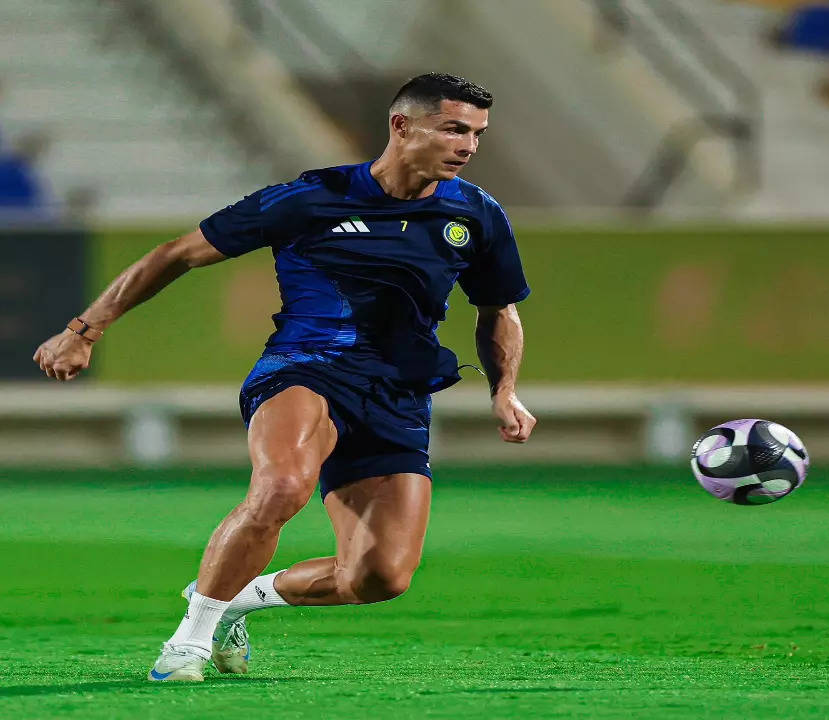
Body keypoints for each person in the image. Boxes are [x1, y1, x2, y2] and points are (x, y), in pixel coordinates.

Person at [31, 72, 536, 682]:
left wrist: (504, 390)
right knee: (281, 488)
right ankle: (187, 643)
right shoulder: (311, 198)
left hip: (398, 394)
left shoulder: (476, 214)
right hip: (305, 367)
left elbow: (498, 311)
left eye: (477, 133)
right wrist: (83, 330)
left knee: (378, 578)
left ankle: (238, 596)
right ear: (402, 126)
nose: (469, 146)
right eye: (454, 128)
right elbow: (177, 254)